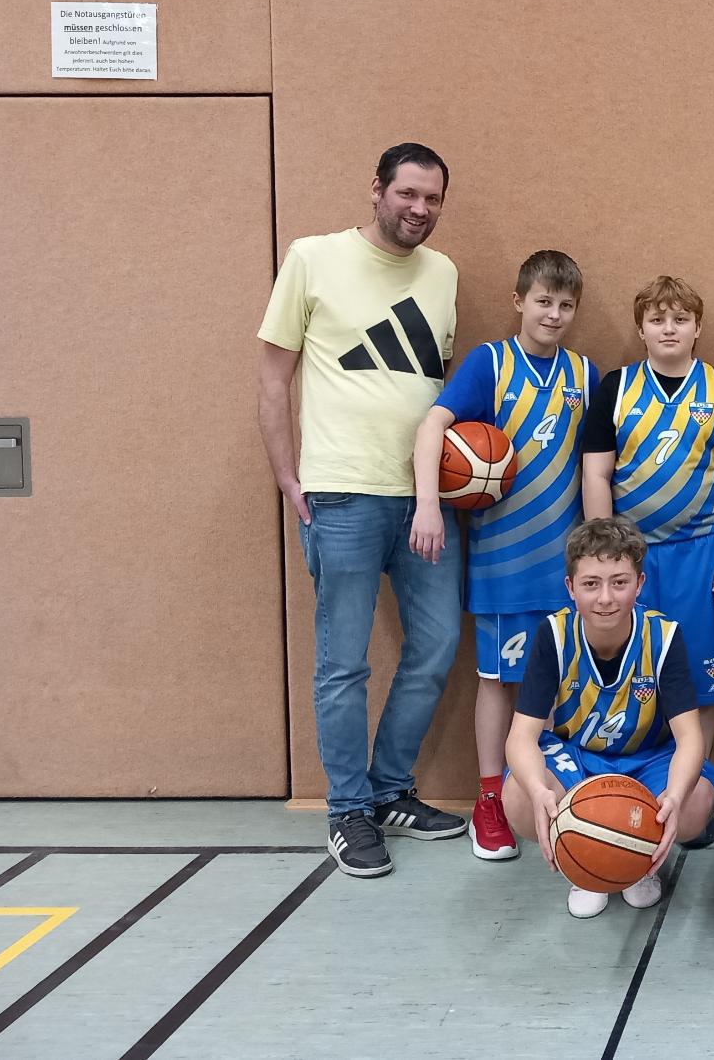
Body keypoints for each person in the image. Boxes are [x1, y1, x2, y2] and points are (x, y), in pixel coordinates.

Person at [257, 142, 467, 878]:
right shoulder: (312, 258)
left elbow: (432, 389)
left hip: (425, 500)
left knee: (437, 645)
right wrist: (288, 475)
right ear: (376, 189)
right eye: (407, 193)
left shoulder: (443, 274)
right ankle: (347, 809)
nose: (419, 209)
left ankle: (389, 789)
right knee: (343, 664)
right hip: (341, 492)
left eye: (432, 199)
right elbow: (273, 377)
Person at [409, 249, 596, 862]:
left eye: (565, 305)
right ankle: (490, 799)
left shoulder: (585, 374)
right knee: (499, 683)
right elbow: (433, 426)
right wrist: (429, 504)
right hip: (502, 564)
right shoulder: (490, 363)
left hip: (568, 567)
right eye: (543, 301)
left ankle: (565, 794)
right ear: (519, 301)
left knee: (566, 683)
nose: (553, 314)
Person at [582, 274, 714, 839]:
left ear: (697, 327)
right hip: (633, 560)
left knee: (700, 682)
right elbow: (596, 473)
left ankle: (693, 797)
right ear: (641, 328)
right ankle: (639, 796)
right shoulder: (616, 387)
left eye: (680, 319)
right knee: (635, 676)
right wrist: (605, 555)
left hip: (702, 554)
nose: (669, 329)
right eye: (657, 319)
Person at [501, 517, 714, 919]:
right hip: (579, 757)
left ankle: (637, 858)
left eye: (619, 582)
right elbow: (521, 736)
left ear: (639, 584)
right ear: (571, 588)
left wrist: (674, 797)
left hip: (647, 758)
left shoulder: (663, 636)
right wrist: (538, 790)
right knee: (517, 796)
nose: (605, 597)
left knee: (696, 802)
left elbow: (690, 737)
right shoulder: (554, 635)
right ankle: (584, 863)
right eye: (591, 584)